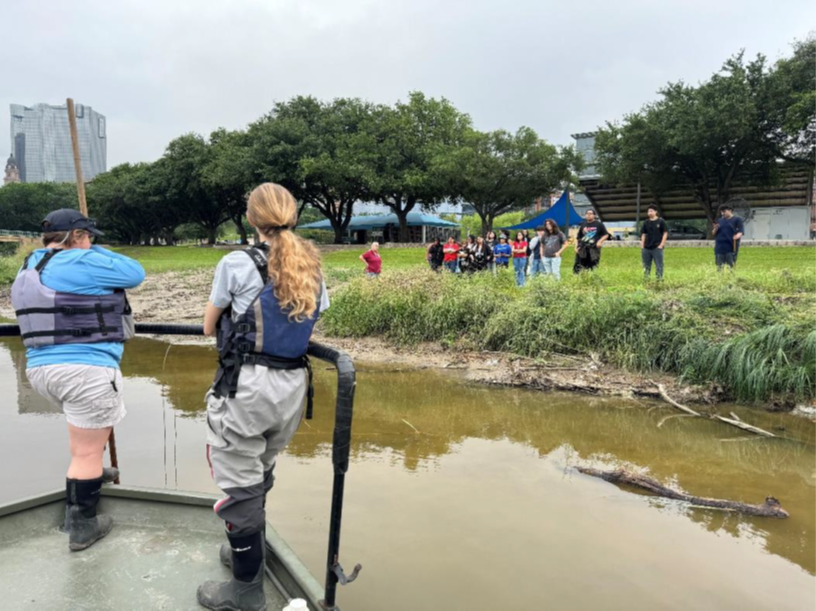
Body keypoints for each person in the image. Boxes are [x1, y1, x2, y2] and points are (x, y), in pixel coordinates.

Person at [199, 183, 330, 611]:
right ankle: (247, 550)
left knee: (238, 486)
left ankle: (246, 593)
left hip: (247, 386)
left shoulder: (236, 263)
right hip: (292, 387)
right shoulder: (311, 263)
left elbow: (208, 325)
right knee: (260, 471)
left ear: (252, 219)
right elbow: (314, 314)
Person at [12, 209, 145, 552]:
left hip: (41, 371)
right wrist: (91, 250)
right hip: (84, 370)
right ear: (76, 237)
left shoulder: (31, 264)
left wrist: (81, 245)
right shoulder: (80, 261)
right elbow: (135, 273)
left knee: (81, 443)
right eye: (89, 236)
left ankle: (82, 491)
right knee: (87, 451)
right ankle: (83, 525)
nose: (93, 242)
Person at [640, 204, 668, 279]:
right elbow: (643, 234)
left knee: (659, 265)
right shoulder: (646, 222)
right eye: (648, 211)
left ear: (656, 212)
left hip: (657, 247)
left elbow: (665, 233)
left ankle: (659, 279)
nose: (649, 213)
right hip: (646, 247)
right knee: (646, 265)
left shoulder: (661, 221)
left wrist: (661, 245)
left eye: (651, 211)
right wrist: (642, 246)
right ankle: (646, 279)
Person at [712, 204, 744, 270]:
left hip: (731, 247)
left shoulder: (737, 219)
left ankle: (731, 278)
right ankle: (720, 279)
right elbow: (713, 233)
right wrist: (715, 228)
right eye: (721, 212)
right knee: (719, 267)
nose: (722, 213)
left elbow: (740, 232)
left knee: (731, 267)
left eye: (724, 211)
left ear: (730, 210)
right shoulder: (719, 220)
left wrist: (737, 236)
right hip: (719, 247)